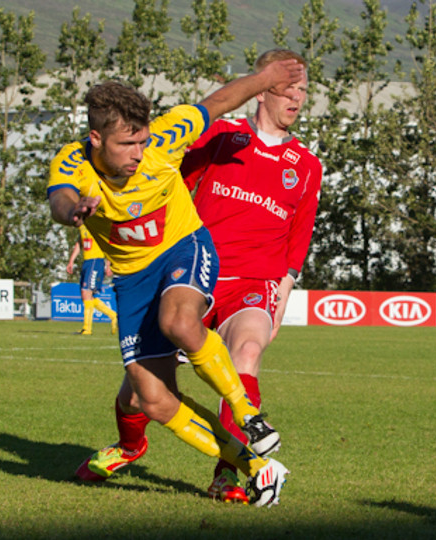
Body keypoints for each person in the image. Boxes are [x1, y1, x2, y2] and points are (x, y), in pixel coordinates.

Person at [47, 57, 305, 506]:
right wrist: (74, 211)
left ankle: (249, 415)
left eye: (142, 141)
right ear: (96, 138)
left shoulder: (164, 137)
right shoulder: (72, 163)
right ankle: (257, 467)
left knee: (180, 322)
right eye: (127, 144)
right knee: (153, 400)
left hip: (183, 248)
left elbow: (219, 101)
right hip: (132, 278)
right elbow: (60, 198)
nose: (138, 153)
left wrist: (265, 79)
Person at [66, 225, 118, 335]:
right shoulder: (82, 227)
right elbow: (79, 244)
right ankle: (113, 316)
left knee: (86, 293)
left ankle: (87, 329)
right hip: (87, 262)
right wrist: (71, 261)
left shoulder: (96, 224)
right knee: (86, 296)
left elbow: (107, 244)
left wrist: (108, 265)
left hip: (96, 261)